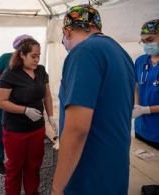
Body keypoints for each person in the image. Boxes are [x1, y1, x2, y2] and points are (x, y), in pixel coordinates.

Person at [51, 4, 135, 195]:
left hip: (89, 174)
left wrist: (57, 187)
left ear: (68, 31)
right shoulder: (121, 54)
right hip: (115, 170)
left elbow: (77, 129)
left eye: (63, 37)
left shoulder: (83, 53)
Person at [0, 38, 58, 195]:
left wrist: (50, 116)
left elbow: (48, 96)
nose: (37, 60)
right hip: (15, 130)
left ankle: (32, 192)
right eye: (33, 56)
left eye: (39, 56)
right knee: (15, 168)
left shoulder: (41, 71)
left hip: (37, 129)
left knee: (34, 165)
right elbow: (1, 102)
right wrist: (24, 110)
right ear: (22, 55)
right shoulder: (10, 74)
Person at [0, 34, 34, 176]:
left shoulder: (29, 60)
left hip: (16, 103)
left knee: (14, 132)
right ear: (18, 46)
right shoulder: (5, 58)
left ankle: (15, 159)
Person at [132, 19, 159, 149]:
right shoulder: (141, 61)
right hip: (141, 129)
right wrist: (137, 105)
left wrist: (147, 110)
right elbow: (136, 85)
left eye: (150, 40)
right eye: (143, 42)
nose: (147, 45)